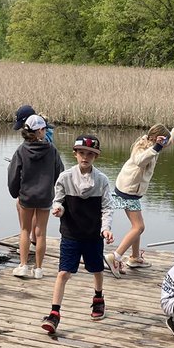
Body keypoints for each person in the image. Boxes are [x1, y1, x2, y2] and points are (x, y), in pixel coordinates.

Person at [41, 135, 114, 335]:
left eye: (90, 154)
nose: (85, 157)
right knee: (64, 273)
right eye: (82, 153)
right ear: (75, 154)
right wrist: (58, 210)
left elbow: (107, 208)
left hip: (93, 234)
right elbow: (58, 201)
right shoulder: (65, 177)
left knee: (96, 268)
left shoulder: (102, 180)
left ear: (95, 157)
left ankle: (98, 298)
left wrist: (105, 228)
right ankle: (54, 314)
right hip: (71, 233)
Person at [108, 107, 174, 275]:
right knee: (139, 227)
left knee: (136, 225)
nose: (166, 144)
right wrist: (157, 147)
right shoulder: (142, 146)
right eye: (162, 141)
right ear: (154, 138)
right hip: (127, 191)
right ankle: (115, 257)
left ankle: (135, 258)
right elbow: (139, 161)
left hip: (131, 191)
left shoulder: (155, 145)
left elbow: (171, 139)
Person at [7, 113, 63, 279]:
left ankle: (23, 265)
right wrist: (52, 189)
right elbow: (60, 172)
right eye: (44, 128)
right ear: (39, 131)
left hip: (27, 196)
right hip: (45, 196)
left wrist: (15, 192)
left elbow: (13, 174)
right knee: (41, 233)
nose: (46, 131)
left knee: (25, 230)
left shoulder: (22, 150)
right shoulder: (52, 150)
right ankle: (38, 269)